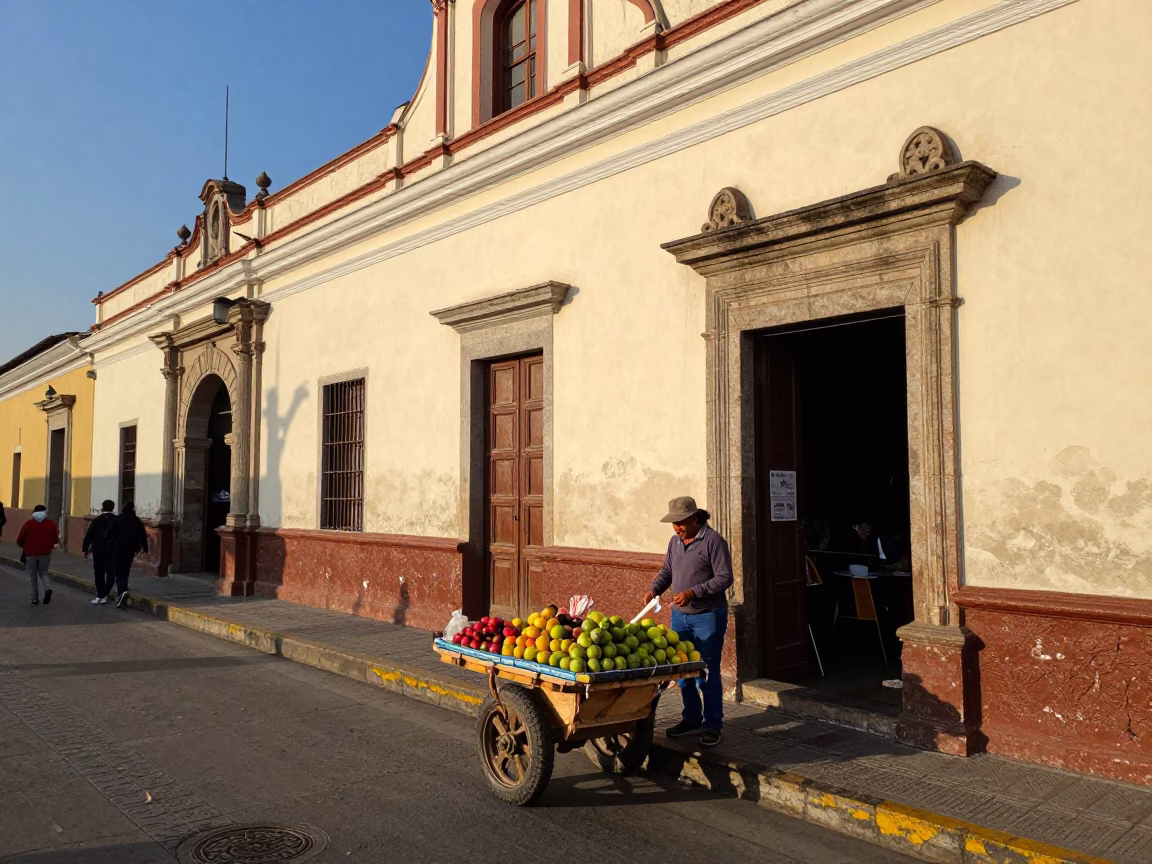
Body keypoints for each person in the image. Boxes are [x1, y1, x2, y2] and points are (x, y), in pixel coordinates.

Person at [644, 496, 733, 747]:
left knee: (707, 672)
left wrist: (694, 592)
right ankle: (691, 719)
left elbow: (725, 578)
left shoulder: (714, 541)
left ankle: (712, 725)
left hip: (708, 616)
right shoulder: (675, 542)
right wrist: (655, 590)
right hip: (680, 617)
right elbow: (667, 571)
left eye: (681, 523)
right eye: (674, 524)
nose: (677, 528)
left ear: (695, 518)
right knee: (683, 671)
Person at [105, 502, 148, 608]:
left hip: (117, 549)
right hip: (131, 550)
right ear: (133, 509)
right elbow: (143, 535)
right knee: (125, 569)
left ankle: (122, 591)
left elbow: (108, 534)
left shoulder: (117, 519)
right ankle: (124, 589)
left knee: (118, 572)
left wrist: (108, 543)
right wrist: (145, 548)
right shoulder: (136, 520)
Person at [17, 505, 59, 606]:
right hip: (45, 553)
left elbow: (20, 540)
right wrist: (49, 545)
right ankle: (47, 588)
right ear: (45, 512)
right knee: (43, 572)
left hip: (30, 553)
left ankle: (34, 598)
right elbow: (56, 538)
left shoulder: (28, 524)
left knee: (32, 575)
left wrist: (26, 546)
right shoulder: (51, 523)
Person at [82, 500, 117, 605]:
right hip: (112, 550)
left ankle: (100, 595)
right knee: (111, 572)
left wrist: (85, 549)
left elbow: (89, 534)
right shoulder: (116, 520)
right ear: (113, 507)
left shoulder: (97, 520)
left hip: (98, 549)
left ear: (102, 507)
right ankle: (105, 593)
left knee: (99, 573)